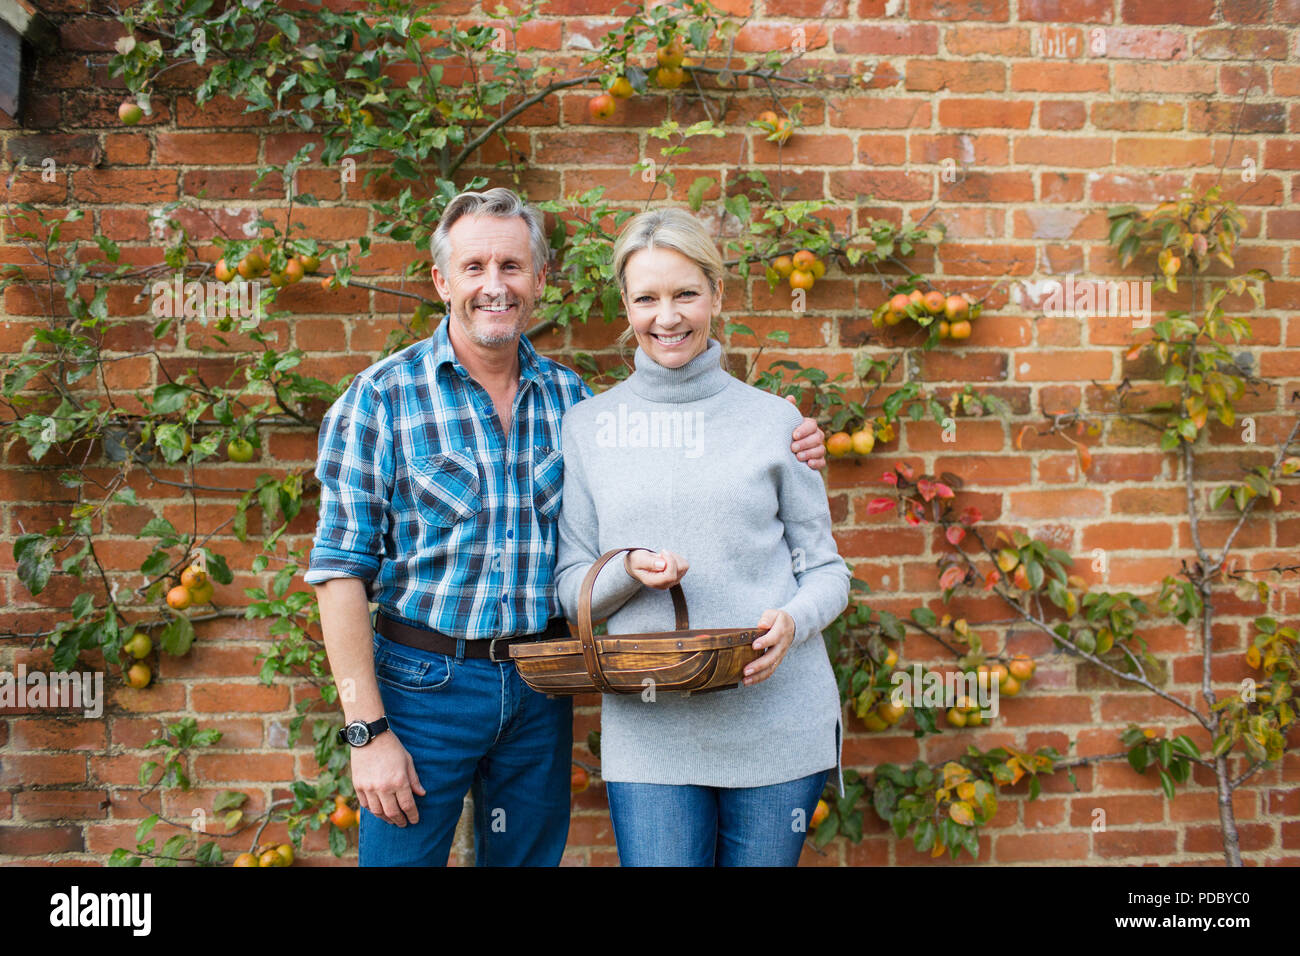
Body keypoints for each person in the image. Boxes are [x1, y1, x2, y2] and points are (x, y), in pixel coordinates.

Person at [305, 187, 828, 866]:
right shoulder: (380, 398)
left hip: (537, 686)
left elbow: (677, 442)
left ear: (541, 280)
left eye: (513, 267)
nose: (495, 286)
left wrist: (784, 430)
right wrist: (365, 731)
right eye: (474, 268)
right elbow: (339, 574)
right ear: (441, 280)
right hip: (422, 688)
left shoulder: (572, 403)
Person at [555, 207, 851, 867]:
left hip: (774, 718)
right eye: (647, 298)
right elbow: (568, 585)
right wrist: (629, 568)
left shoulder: (777, 421)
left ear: (717, 294)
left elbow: (827, 571)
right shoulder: (588, 427)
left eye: (686, 293)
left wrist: (794, 622)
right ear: (625, 306)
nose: (668, 316)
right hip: (651, 730)